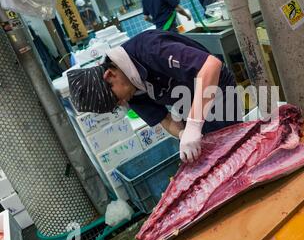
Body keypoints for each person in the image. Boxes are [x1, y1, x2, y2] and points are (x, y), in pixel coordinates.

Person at [67, 30, 242, 163]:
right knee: (210, 157)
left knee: (233, 151)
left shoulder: (149, 48)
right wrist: (183, 134)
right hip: (186, 103)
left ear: (109, 75)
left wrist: (194, 126)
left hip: (214, 88)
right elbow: (164, 118)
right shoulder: (129, 87)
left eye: (116, 99)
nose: (122, 103)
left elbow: (211, 66)